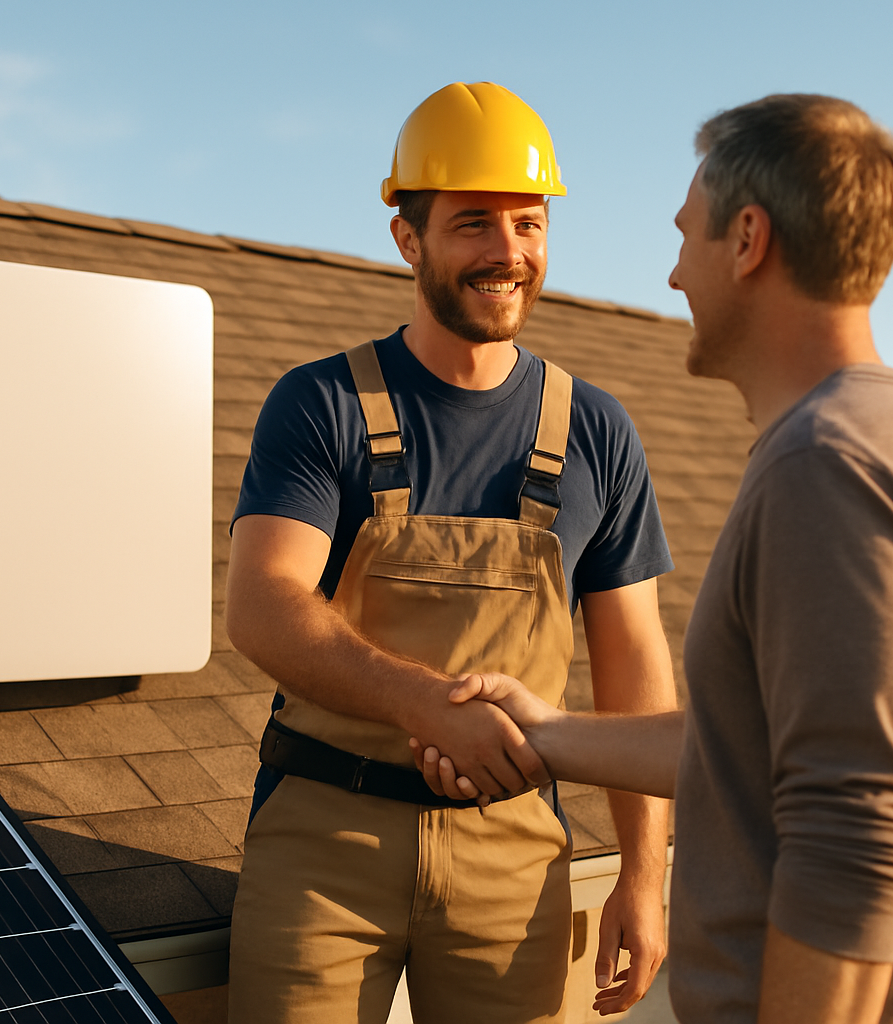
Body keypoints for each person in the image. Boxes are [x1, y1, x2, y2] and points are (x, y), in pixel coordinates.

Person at [416, 93, 893, 1024]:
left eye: (688, 235)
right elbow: (754, 751)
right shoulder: (878, 433)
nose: (674, 275)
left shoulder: (824, 466)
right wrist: (546, 731)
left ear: (749, 240)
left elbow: (856, 828)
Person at [225, 81, 676, 1024]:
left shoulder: (594, 430)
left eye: (528, 223)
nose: (507, 253)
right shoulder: (323, 405)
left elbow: (635, 663)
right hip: (323, 846)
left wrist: (644, 872)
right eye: (473, 223)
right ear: (408, 238)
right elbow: (264, 601)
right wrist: (427, 705)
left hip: (512, 856)